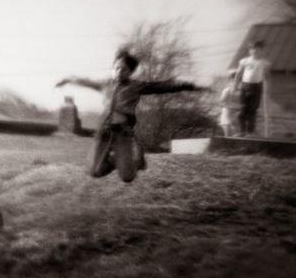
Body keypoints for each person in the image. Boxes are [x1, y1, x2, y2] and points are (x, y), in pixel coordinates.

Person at [56, 48, 201, 182]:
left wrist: (186, 86)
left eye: (124, 69)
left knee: (127, 177)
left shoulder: (136, 86)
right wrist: (68, 79)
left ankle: (137, 158)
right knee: (94, 172)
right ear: (113, 69)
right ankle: (113, 161)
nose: (119, 71)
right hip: (103, 133)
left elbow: (161, 86)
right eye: (117, 68)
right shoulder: (105, 84)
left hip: (122, 133)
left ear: (130, 72)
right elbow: (85, 81)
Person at [233, 40, 271, 137]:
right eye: (253, 49)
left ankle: (250, 132)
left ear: (262, 51)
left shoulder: (264, 63)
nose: (255, 51)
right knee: (242, 109)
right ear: (250, 50)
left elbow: (267, 77)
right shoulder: (244, 61)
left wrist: (267, 89)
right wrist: (235, 86)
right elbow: (238, 74)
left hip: (256, 87)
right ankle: (241, 131)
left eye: (258, 50)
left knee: (252, 110)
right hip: (244, 86)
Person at [219, 70, 237, 137]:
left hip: (236, 115)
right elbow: (221, 103)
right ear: (230, 81)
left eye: (238, 80)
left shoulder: (240, 91)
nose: (235, 82)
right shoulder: (227, 90)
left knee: (237, 135)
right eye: (233, 80)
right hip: (228, 114)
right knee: (228, 135)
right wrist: (230, 106)